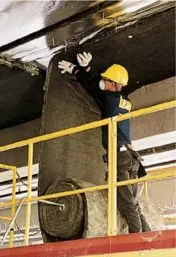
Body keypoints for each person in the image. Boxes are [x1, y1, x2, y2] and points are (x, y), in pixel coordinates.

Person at [58, 52, 151, 233]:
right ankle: (148, 235)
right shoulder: (126, 101)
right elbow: (100, 89)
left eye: (108, 80)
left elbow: (92, 88)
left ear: (115, 85)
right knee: (133, 204)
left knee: (126, 205)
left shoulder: (109, 99)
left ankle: (137, 239)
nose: (105, 82)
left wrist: (76, 69)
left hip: (120, 157)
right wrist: (87, 69)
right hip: (131, 157)